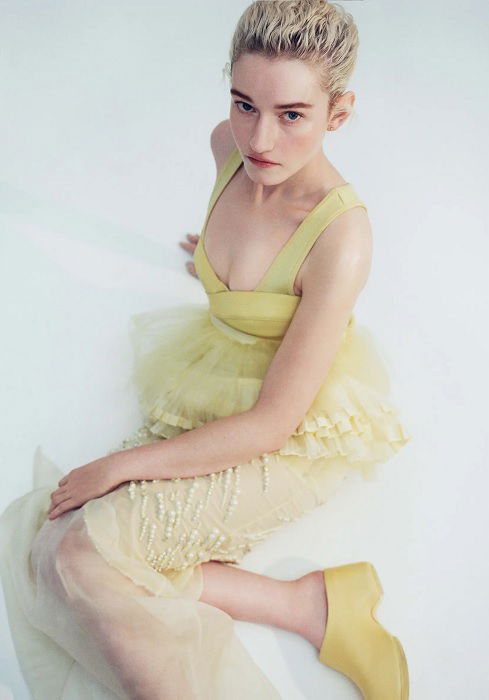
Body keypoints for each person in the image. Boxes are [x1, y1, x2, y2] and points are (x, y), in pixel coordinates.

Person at [0, 1, 412, 698]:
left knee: (82, 557)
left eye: (291, 115)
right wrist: (219, 272)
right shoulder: (227, 145)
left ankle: (306, 610)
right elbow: (246, 230)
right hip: (207, 381)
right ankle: (304, 604)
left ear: (337, 113)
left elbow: (272, 424)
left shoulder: (343, 236)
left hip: (284, 429)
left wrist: (115, 467)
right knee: (48, 540)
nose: (261, 138)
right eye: (245, 103)